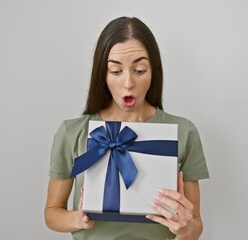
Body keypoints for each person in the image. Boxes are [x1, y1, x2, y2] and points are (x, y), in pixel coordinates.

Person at [44, 16, 209, 240]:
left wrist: (185, 226)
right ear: (102, 74)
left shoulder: (183, 131)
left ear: (154, 71)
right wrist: (78, 218)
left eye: (139, 70)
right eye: (116, 71)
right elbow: (52, 212)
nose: (128, 83)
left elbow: (196, 226)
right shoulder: (72, 132)